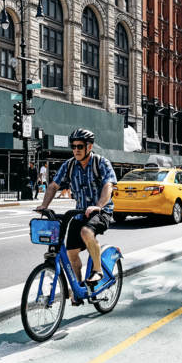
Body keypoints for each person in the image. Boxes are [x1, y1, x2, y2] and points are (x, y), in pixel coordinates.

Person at [36, 129, 118, 305]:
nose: (76, 150)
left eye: (80, 146)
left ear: (89, 146)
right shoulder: (69, 165)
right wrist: (44, 206)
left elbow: (108, 186)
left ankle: (98, 270)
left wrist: (99, 205)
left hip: (101, 211)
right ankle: (79, 288)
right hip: (80, 212)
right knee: (71, 253)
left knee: (87, 232)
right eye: (73, 146)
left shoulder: (101, 163)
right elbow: (53, 185)